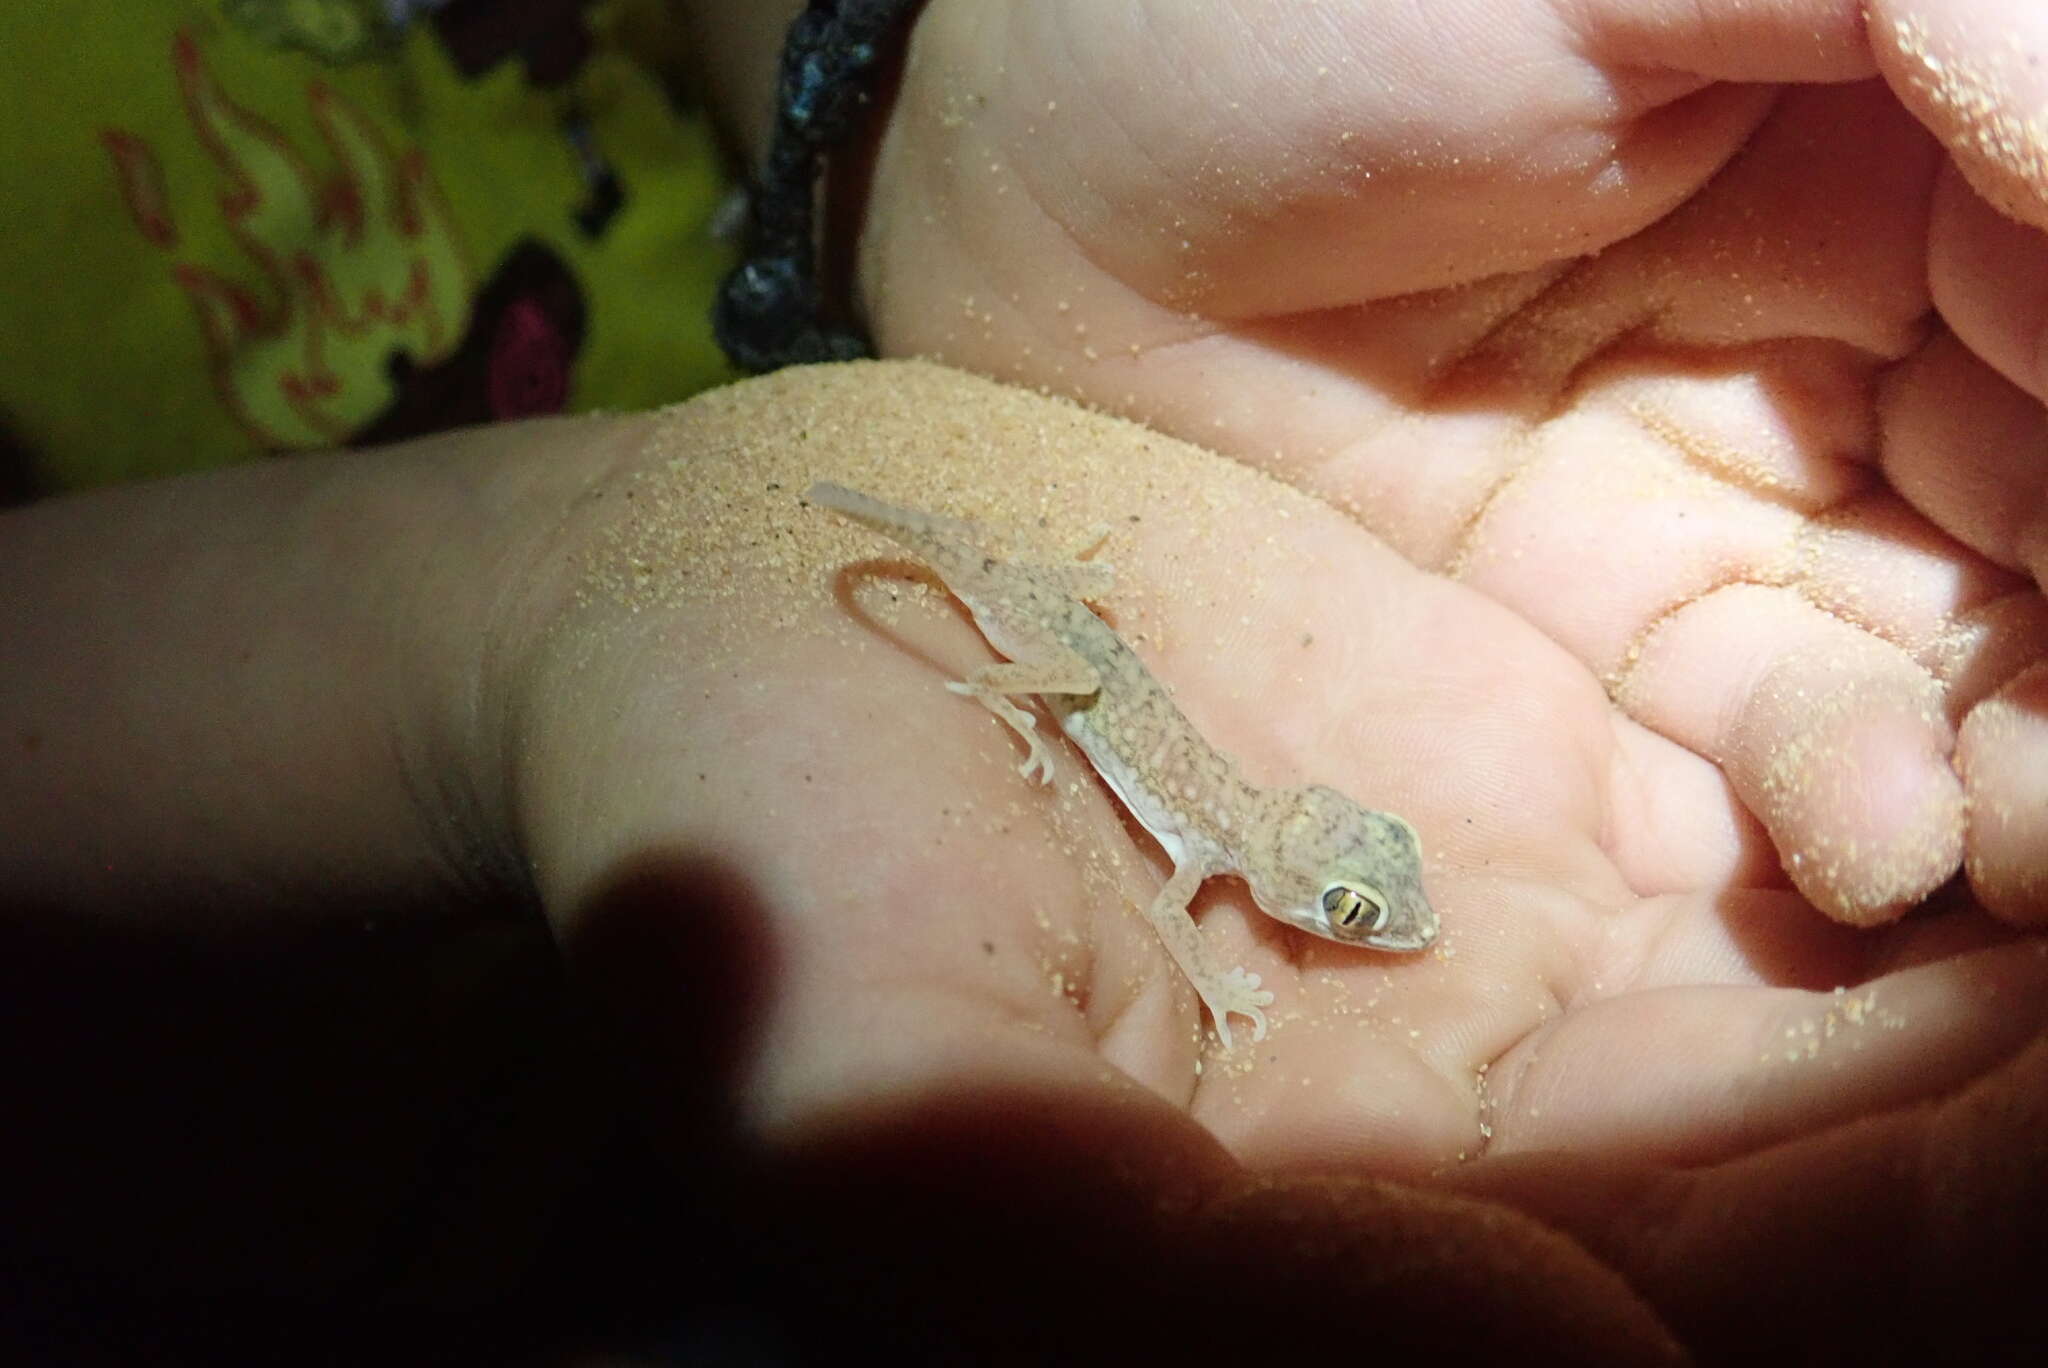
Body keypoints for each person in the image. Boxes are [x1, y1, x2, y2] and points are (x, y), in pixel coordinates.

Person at [4, 0, 2046, 1359]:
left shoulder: (1264, 841)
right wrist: (504, 606)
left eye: (1355, 901)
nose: (1354, 915)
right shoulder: (1222, 871)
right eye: (1356, 905)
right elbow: (1180, 882)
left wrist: (913, 87)